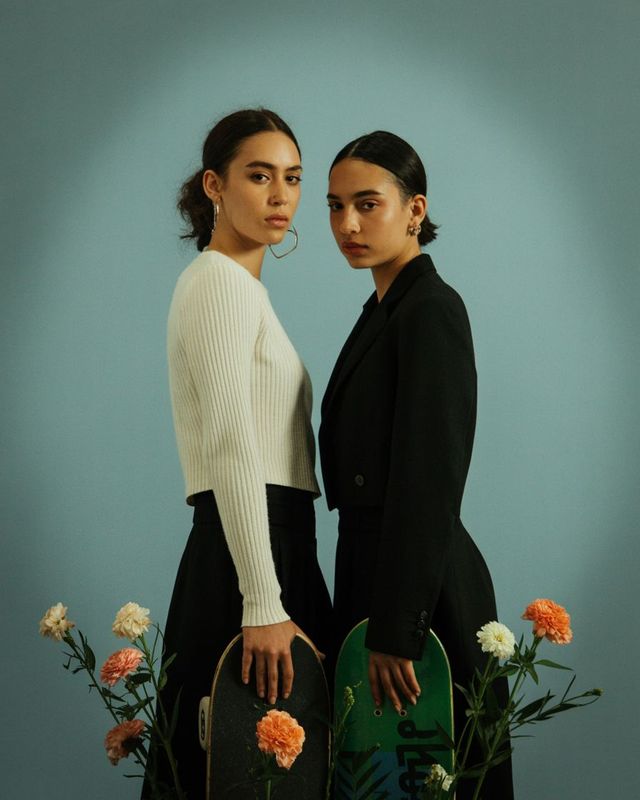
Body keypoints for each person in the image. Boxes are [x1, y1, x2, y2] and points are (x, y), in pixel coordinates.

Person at [319, 131, 514, 798]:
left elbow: (431, 477)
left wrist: (399, 629)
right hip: (377, 572)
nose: (348, 223)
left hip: (419, 595)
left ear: (413, 209)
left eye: (367, 204)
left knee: (431, 778)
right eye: (335, 206)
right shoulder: (381, 310)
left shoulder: (430, 309)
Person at [144, 109, 332, 799]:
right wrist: (262, 600)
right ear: (215, 186)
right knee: (237, 777)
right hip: (249, 557)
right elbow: (228, 443)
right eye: (260, 176)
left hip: (270, 549)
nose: (280, 194)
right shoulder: (218, 282)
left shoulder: (242, 288)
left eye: (293, 178)